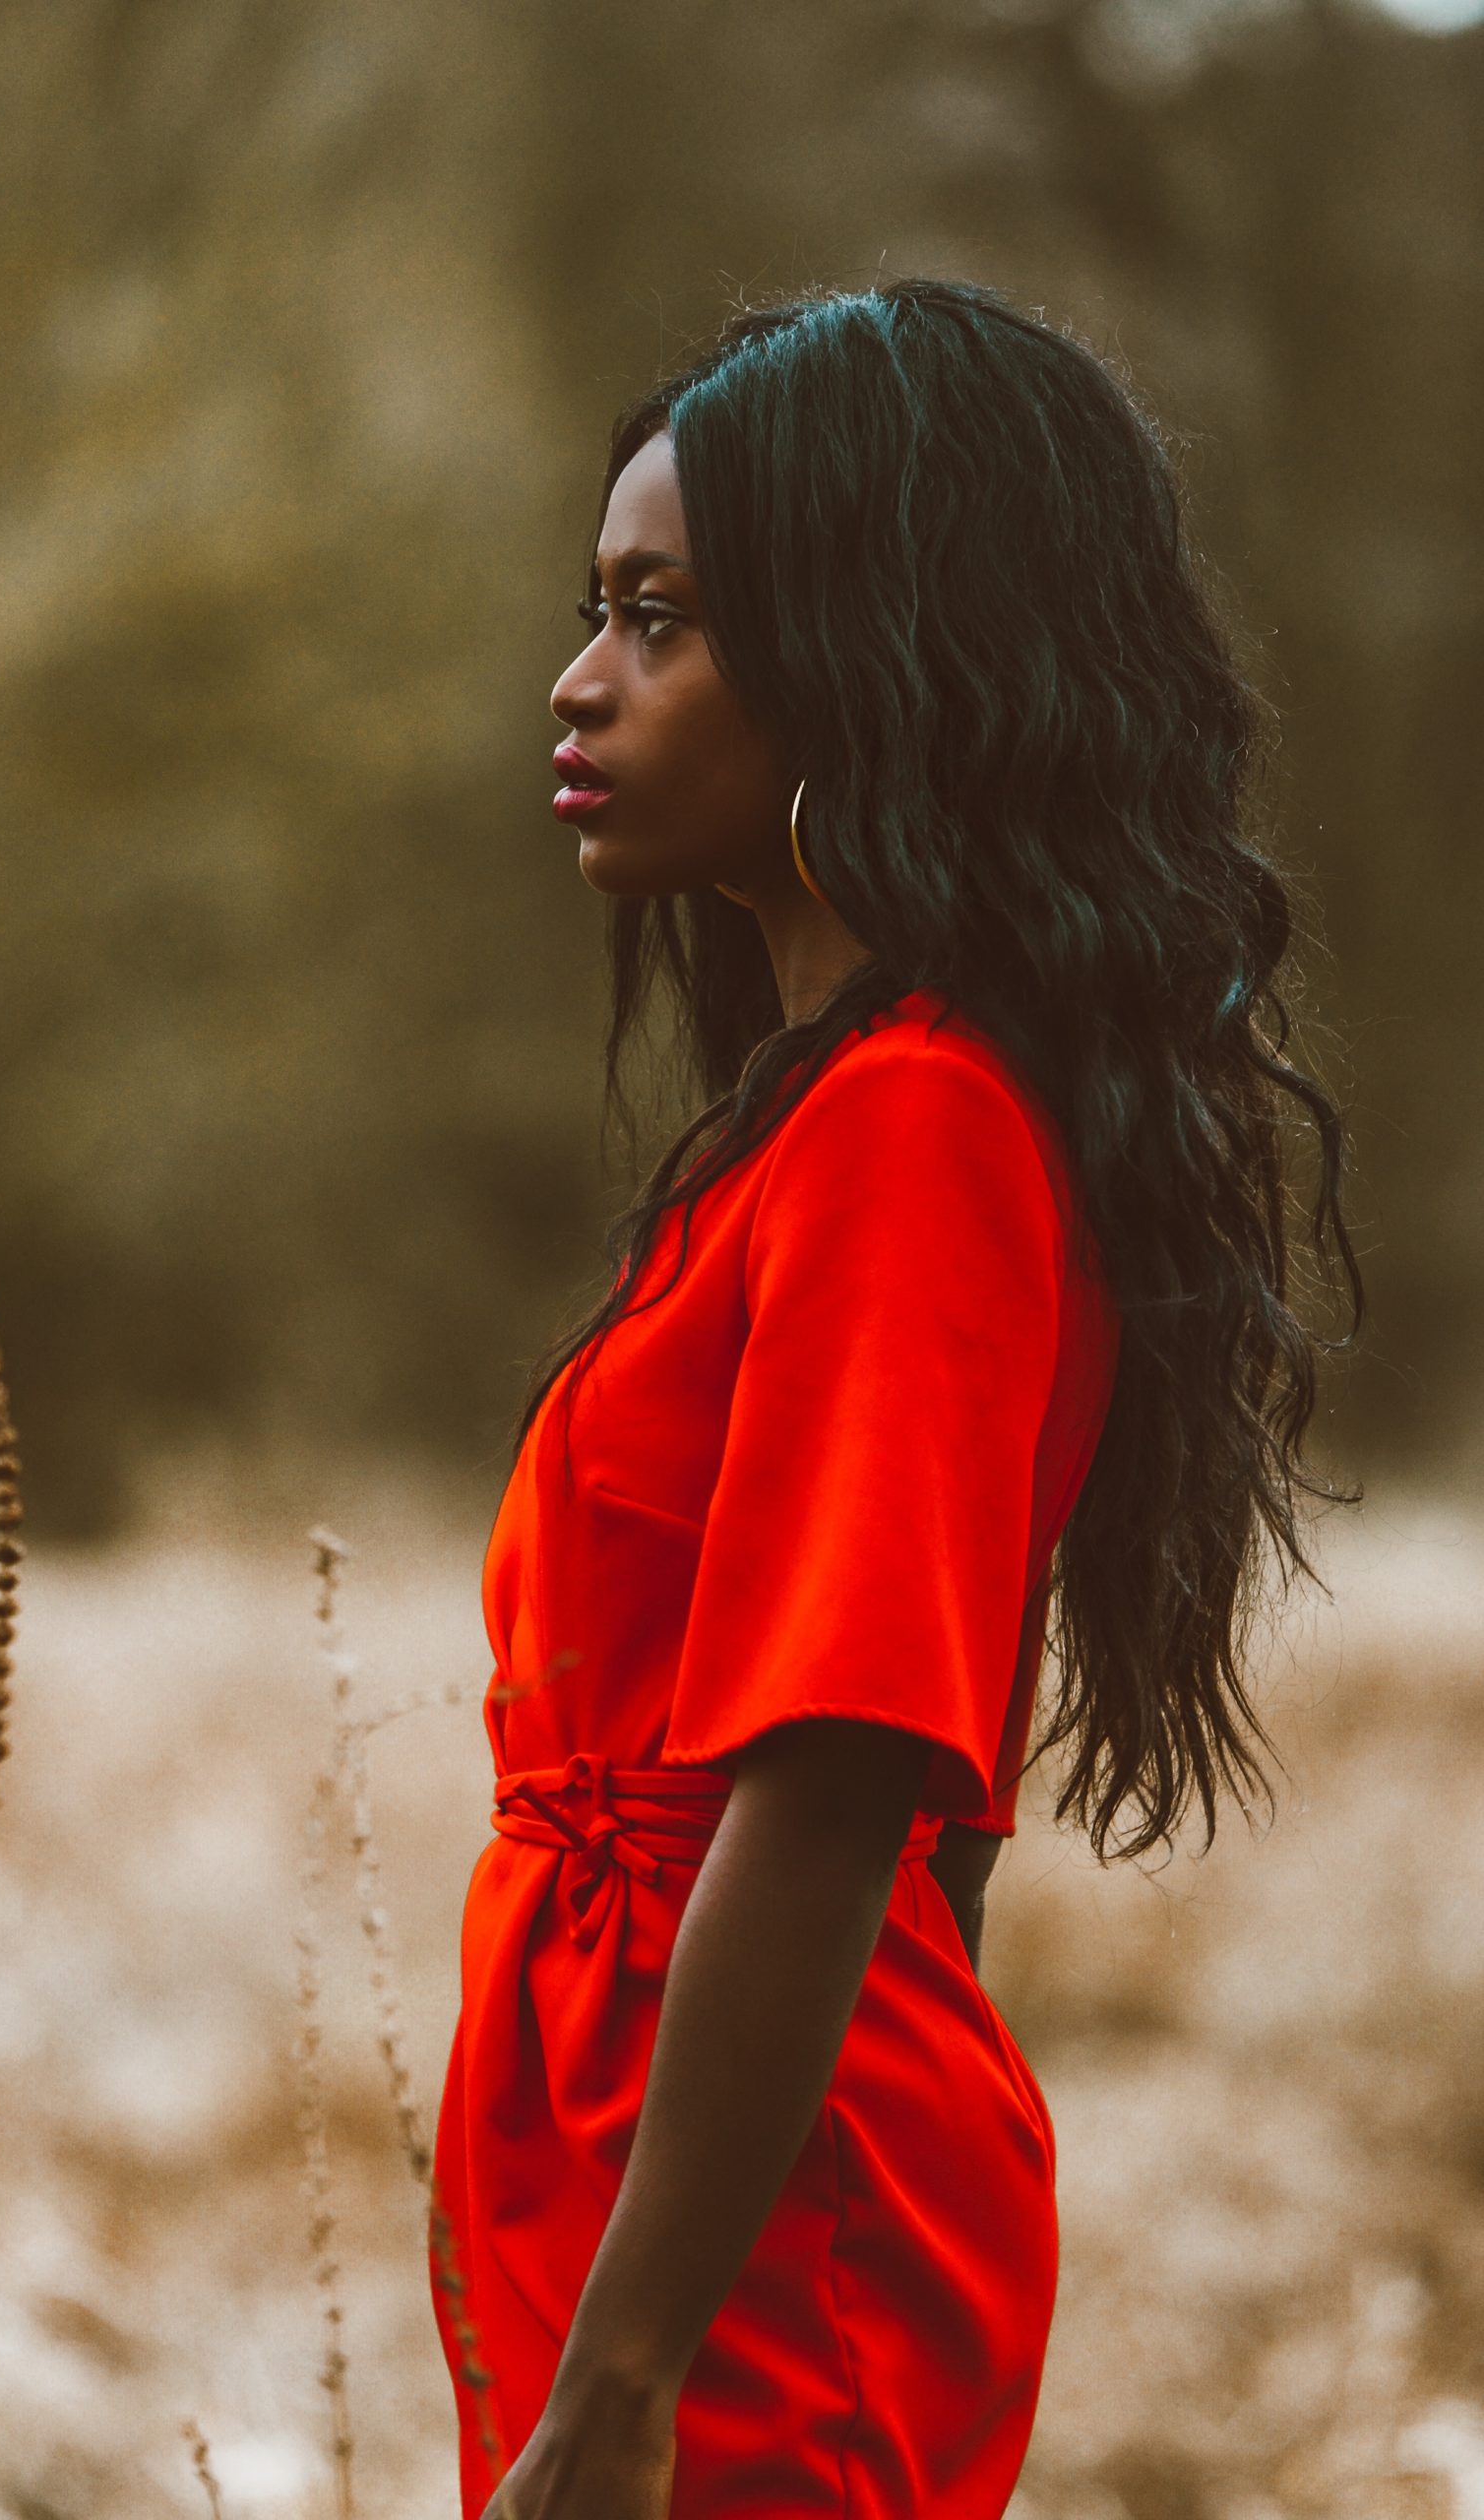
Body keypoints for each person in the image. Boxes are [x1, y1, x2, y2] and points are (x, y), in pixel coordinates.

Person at [426, 278, 1362, 2520]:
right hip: (654, 2152)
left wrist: (625, 2377)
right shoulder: (825, 1113)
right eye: (593, 607)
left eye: (657, 619)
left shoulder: (916, 1129)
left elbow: (847, 1776)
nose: (576, 680)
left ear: (874, 655)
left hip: (754, 2246)